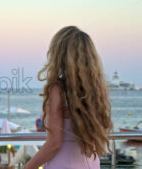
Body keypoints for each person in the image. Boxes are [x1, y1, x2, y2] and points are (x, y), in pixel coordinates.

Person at [25, 26, 113, 169]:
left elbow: (54, 143)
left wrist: (27, 167)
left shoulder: (58, 89)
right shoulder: (97, 91)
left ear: (59, 54)